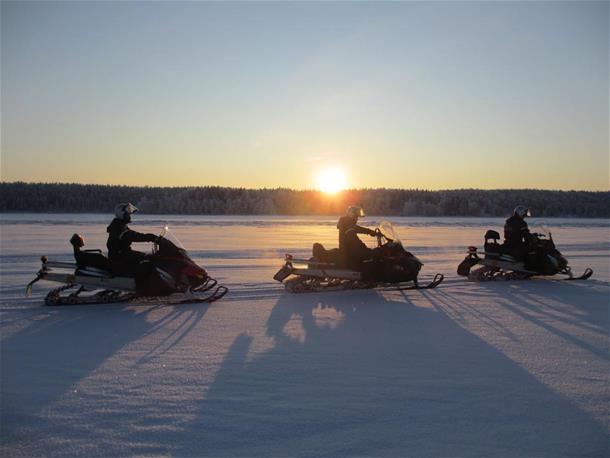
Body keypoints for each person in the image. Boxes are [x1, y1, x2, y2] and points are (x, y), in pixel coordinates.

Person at [106, 203, 159, 278]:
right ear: (122, 214)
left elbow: (132, 234)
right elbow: (133, 235)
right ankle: (140, 283)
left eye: (129, 215)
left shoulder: (120, 224)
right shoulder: (118, 227)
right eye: (128, 214)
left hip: (122, 254)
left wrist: (152, 238)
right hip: (119, 257)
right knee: (145, 260)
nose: (129, 216)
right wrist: (151, 237)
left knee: (147, 257)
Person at [336, 205, 378, 269]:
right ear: (352, 216)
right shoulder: (347, 226)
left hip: (350, 250)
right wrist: (365, 249)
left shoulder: (348, 224)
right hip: (348, 251)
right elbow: (354, 241)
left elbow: (359, 229)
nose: (357, 219)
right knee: (368, 259)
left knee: (369, 254)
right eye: (356, 217)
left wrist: (371, 232)